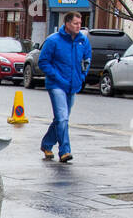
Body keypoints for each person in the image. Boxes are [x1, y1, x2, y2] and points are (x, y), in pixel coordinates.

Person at [36, 12, 92, 164]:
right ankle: (65, 151)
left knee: (61, 119)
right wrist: (56, 77)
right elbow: (43, 62)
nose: (78, 26)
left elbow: (87, 60)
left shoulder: (83, 40)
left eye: (80, 23)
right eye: (75, 23)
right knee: (63, 117)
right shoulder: (53, 40)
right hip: (56, 85)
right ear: (67, 24)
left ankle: (47, 144)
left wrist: (82, 76)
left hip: (73, 85)